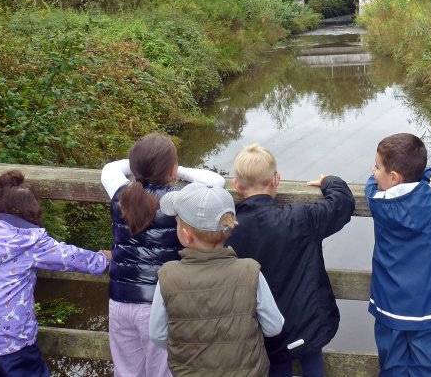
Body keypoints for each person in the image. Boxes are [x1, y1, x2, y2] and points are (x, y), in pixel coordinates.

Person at [0, 170, 111, 376]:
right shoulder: (31, 241)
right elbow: (69, 257)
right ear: (31, 210)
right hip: (10, 339)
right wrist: (103, 259)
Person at [101, 133, 225, 377]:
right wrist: (181, 171)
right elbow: (215, 181)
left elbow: (109, 169)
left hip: (119, 300)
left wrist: (137, 166)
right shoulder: (178, 200)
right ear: (171, 170)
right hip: (159, 304)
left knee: (126, 371)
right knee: (162, 372)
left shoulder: (121, 195)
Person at [226, 144, 355, 376]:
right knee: (312, 361)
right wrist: (329, 181)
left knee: (275, 365)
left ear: (236, 185)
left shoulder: (228, 229)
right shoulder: (299, 218)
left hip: (263, 329)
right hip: (307, 324)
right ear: (276, 180)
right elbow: (342, 204)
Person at [149, 182, 284, 376]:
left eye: (177, 222)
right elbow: (274, 327)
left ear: (186, 235)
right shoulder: (249, 271)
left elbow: (158, 335)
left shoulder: (168, 275)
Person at [366, 133, 431, 376]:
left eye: (378, 166)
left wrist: (408, 174)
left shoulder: (376, 199)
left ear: (393, 178)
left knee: (392, 367)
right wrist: (424, 172)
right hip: (427, 307)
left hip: (388, 305)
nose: (373, 170)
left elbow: (371, 182)